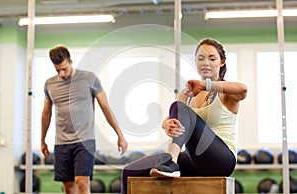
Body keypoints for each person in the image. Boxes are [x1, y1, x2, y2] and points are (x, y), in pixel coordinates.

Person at [121, 38, 247, 193]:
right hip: (195, 161)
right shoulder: (187, 94)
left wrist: (205, 85)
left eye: (212, 58)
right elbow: (176, 115)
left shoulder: (227, 93)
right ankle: (169, 160)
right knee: (129, 172)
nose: (205, 62)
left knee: (182, 109)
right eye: (200, 58)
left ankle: (170, 160)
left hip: (222, 160)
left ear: (222, 62)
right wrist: (166, 124)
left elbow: (243, 90)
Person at [41, 45, 128, 194]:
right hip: (61, 142)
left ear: (71, 61)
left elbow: (105, 107)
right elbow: (46, 113)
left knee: (82, 181)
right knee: (68, 186)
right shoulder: (49, 84)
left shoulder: (89, 78)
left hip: (84, 141)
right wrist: (42, 140)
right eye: (58, 70)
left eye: (64, 69)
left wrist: (120, 135)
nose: (62, 74)